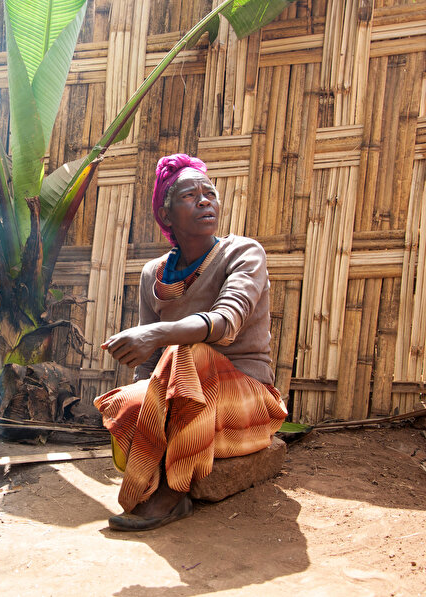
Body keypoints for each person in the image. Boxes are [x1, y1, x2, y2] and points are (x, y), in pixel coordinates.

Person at [97, 153, 288, 531]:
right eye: (190, 195)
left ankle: (172, 490)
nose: (205, 201)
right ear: (167, 215)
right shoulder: (153, 273)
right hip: (183, 392)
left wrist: (156, 334)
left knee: (191, 354)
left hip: (246, 399)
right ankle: (150, 471)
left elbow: (225, 321)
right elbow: (149, 367)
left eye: (210, 193)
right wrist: (141, 399)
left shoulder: (243, 252)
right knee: (129, 398)